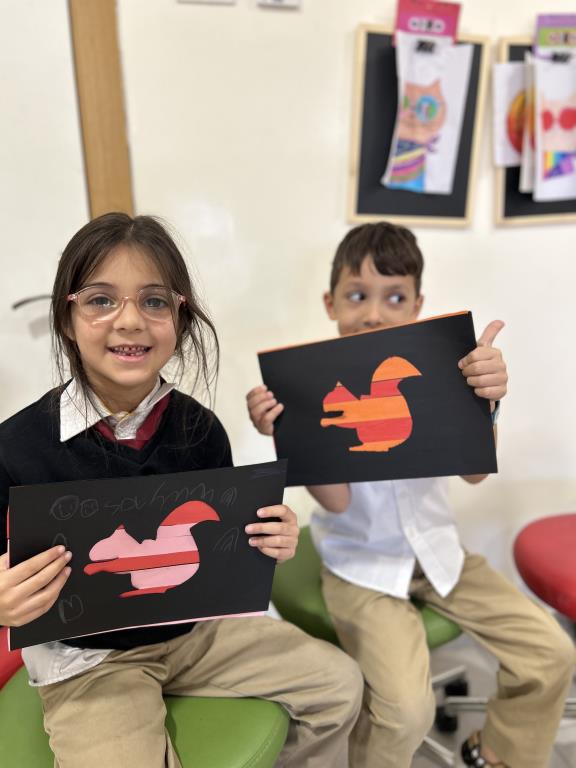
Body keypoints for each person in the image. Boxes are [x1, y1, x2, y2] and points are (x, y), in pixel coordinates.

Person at [0, 213, 363, 768]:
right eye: (100, 300)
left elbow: (223, 550)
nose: (130, 321)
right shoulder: (16, 447)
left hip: (194, 634)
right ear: (67, 319)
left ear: (180, 319)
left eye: (154, 301)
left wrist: (267, 540)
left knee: (339, 684)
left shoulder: (201, 429)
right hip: (88, 661)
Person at [247, 222, 575, 768]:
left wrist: (486, 404)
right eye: (357, 296)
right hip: (361, 563)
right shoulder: (315, 385)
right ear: (331, 303)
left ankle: (497, 753)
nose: (375, 314)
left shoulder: (439, 372)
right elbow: (338, 503)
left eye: (395, 298)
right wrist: (292, 434)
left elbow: (475, 474)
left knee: (551, 652)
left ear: (417, 305)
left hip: (438, 550)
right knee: (404, 711)